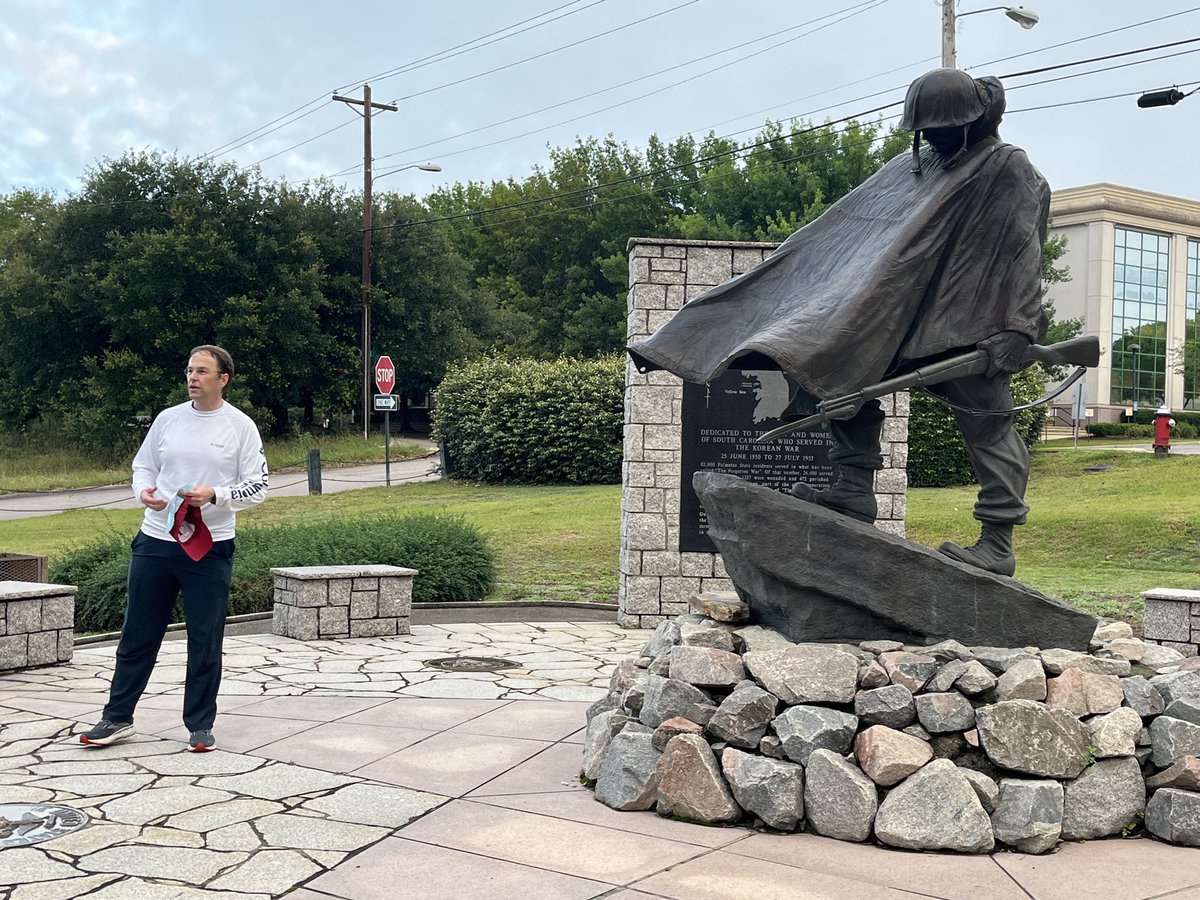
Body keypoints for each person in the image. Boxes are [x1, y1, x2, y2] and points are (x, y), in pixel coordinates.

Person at [628, 68, 1050, 577]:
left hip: (972, 322)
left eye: (941, 128)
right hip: (902, 313)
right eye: (925, 131)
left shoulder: (1009, 169)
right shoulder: (915, 167)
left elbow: (1024, 250)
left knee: (988, 425)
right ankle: (853, 490)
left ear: (971, 121)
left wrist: (1019, 327)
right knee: (840, 370)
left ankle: (997, 542)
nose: (931, 139)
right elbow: (849, 233)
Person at [80, 345, 268, 751]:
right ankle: (116, 718)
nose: (192, 378)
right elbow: (143, 466)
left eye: (202, 371)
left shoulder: (240, 427)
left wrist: (214, 494)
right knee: (138, 633)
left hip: (209, 547)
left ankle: (200, 725)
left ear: (223, 379)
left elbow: (258, 486)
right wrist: (142, 492)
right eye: (189, 370)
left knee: (205, 637)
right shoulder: (168, 420)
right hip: (156, 540)